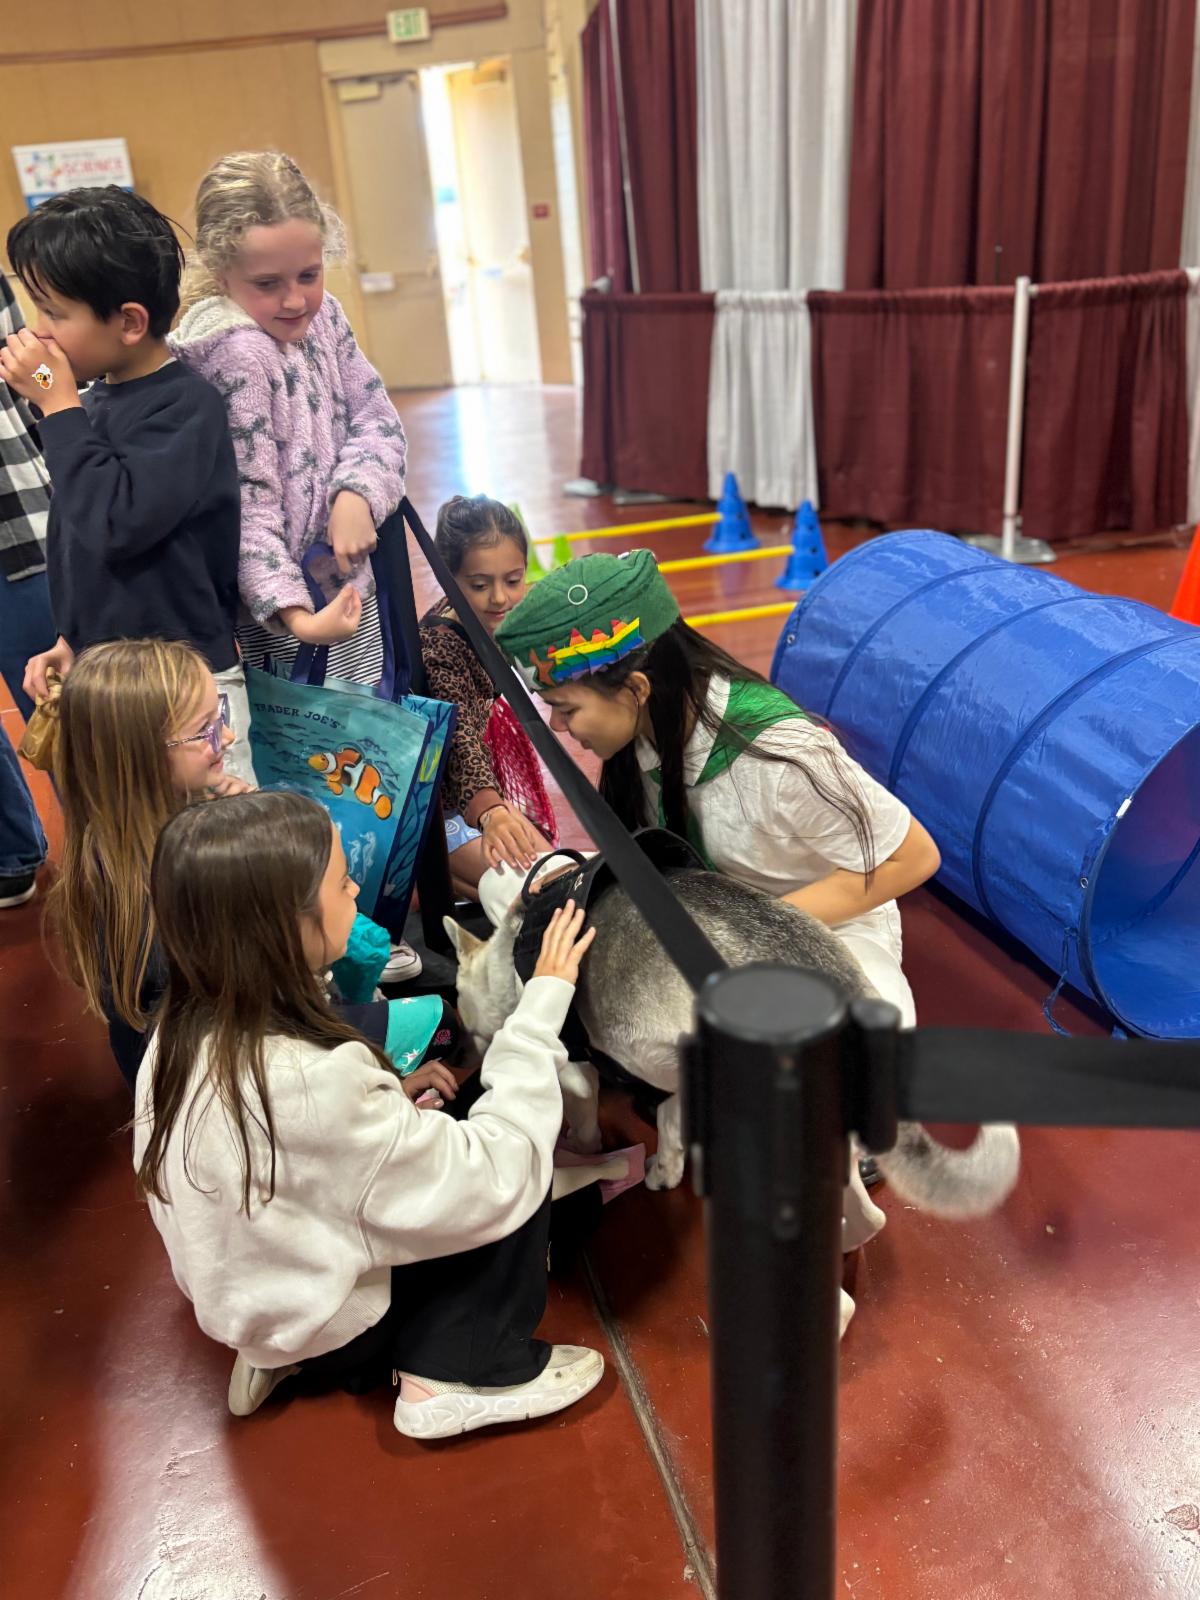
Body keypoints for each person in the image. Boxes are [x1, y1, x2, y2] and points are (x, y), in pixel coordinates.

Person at [496, 550, 943, 1242]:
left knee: (847, 1058)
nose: (560, 728)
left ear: (635, 687)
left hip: (825, 923)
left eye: (566, 709)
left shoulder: (780, 754)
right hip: (712, 919)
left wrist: (763, 926)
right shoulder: (643, 737)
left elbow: (914, 856)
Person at [134, 789, 604, 1438]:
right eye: (339, 882)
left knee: (472, 1129)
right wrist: (543, 1003)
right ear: (286, 926)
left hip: (260, 1304)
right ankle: (460, 1370)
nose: (354, 887)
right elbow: (495, 1176)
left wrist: (391, 1095)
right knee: (522, 1162)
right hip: (341, 1326)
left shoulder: (176, 1036)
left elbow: (297, 1151)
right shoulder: (314, 1081)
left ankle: (280, 1355)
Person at [171, 150, 418, 980]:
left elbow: (378, 419)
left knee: (354, 765)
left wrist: (355, 494)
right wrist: (292, 612)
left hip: (340, 597)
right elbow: (244, 509)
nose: (295, 300)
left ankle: (352, 928)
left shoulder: (327, 318)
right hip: (283, 623)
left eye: (308, 275)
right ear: (219, 271)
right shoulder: (233, 356)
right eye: (267, 283)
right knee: (296, 782)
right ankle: (312, 954)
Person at [52, 638, 445, 1094]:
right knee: (444, 1027)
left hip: (219, 1063)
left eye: (220, 714)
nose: (226, 737)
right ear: (141, 756)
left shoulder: (111, 856)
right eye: (204, 731)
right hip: (250, 1075)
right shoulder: (190, 889)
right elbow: (266, 1032)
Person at [3, 187, 254, 784]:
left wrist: (56, 404)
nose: (40, 333)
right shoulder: (91, 404)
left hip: (185, 689)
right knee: (133, 830)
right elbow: (82, 542)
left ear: (131, 322)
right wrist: (72, 639)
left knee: (218, 830)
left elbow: (116, 523)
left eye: (54, 314)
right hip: (115, 680)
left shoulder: (184, 407)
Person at [419, 495, 556, 898]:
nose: (499, 598)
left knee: (554, 871)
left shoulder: (493, 617)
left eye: (513, 580)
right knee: (540, 888)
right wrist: (491, 811)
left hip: (474, 798)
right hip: (436, 805)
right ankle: (421, 872)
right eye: (480, 585)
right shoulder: (439, 648)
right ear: (448, 578)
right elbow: (460, 739)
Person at [0, 272, 55, 907]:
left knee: (61, 709)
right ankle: (10, 851)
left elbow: (32, 370)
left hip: (20, 525)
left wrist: (59, 395)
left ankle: (115, 860)